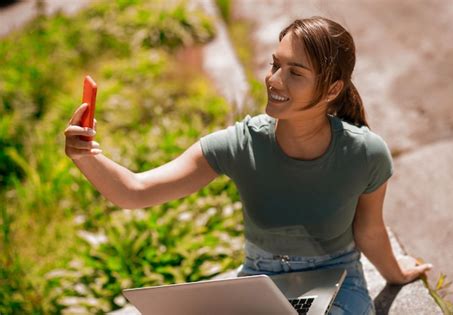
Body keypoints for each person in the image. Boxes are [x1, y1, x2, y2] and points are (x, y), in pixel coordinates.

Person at [65, 16, 433, 315]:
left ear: (333, 90)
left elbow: (369, 231)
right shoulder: (241, 144)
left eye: (295, 72)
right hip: (261, 282)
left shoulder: (366, 154)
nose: (273, 80)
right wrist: (87, 155)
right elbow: (136, 192)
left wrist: (397, 274)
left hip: (337, 281)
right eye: (276, 65)